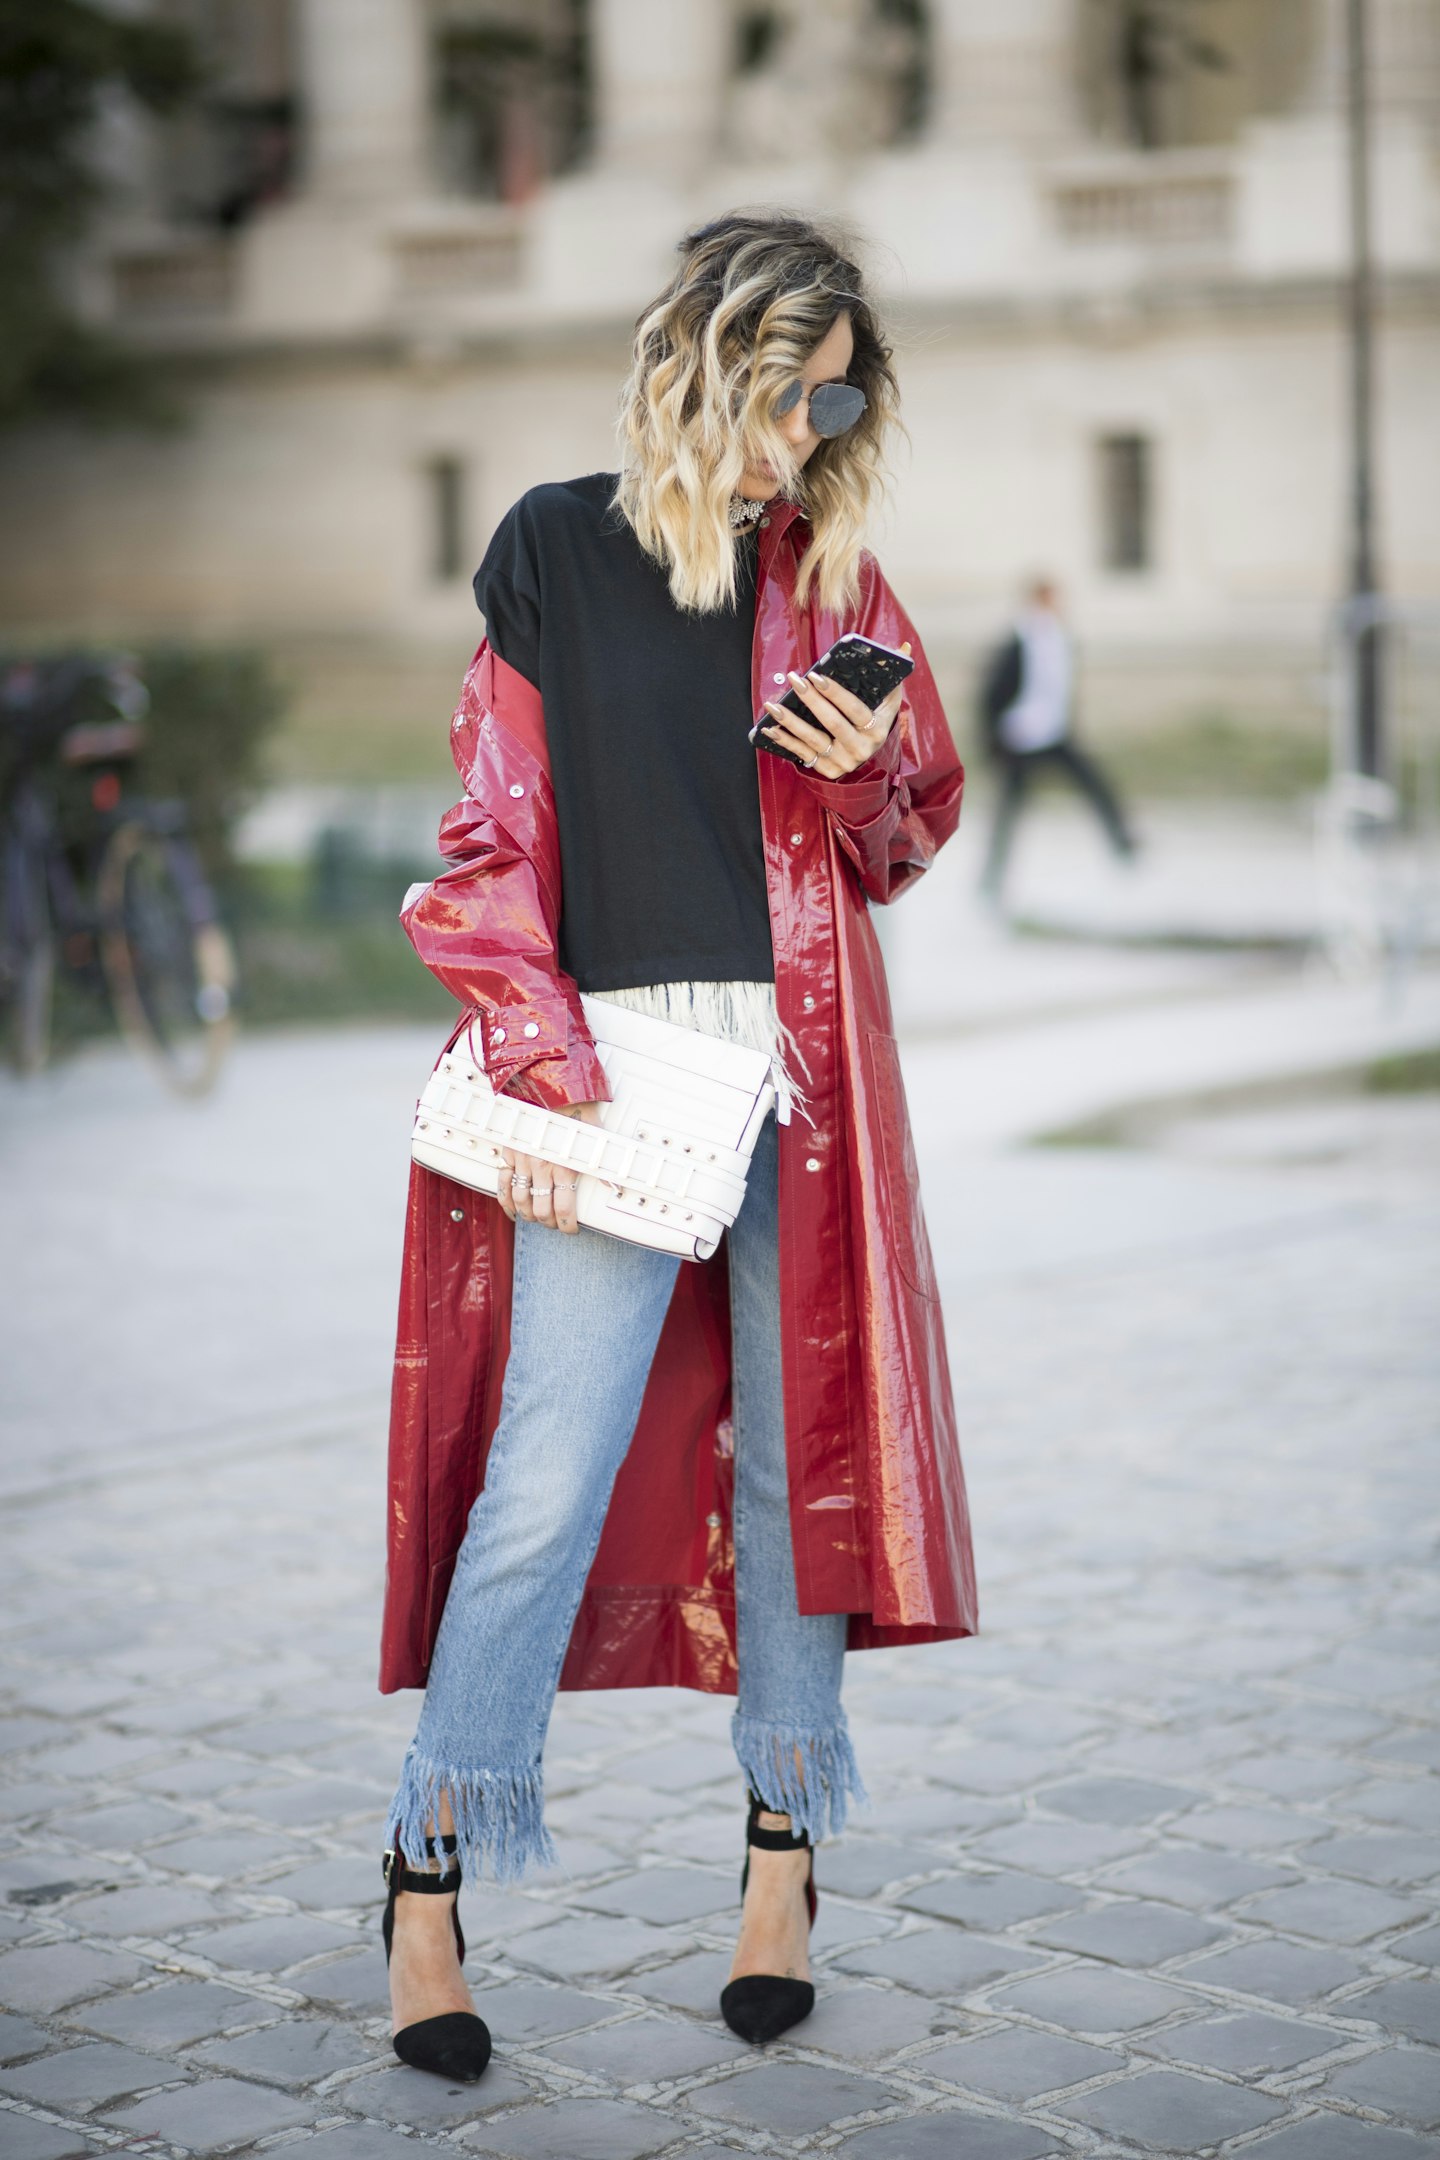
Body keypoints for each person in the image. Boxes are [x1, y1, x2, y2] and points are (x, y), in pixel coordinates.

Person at [377, 210, 978, 2082]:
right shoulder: (556, 545)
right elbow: (489, 843)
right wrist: (541, 1077)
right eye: (793, 387)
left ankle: (783, 1863)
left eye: (841, 398)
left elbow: (905, 837)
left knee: (797, 1482)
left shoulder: (844, 585)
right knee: (543, 1484)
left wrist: (855, 766)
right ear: (706, 360)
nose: (810, 431)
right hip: (611, 1080)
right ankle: (426, 1871)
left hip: (798, 1081)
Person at [977, 576, 1138, 901]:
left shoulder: (1060, 638)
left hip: (1054, 734)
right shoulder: (1018, 642)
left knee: (1095, 782)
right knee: (1009, 809)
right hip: (1019, 736)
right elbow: (992, 696)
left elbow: (1059, 688)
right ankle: (992, 878)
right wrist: (993, 743)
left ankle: (1122, 842)